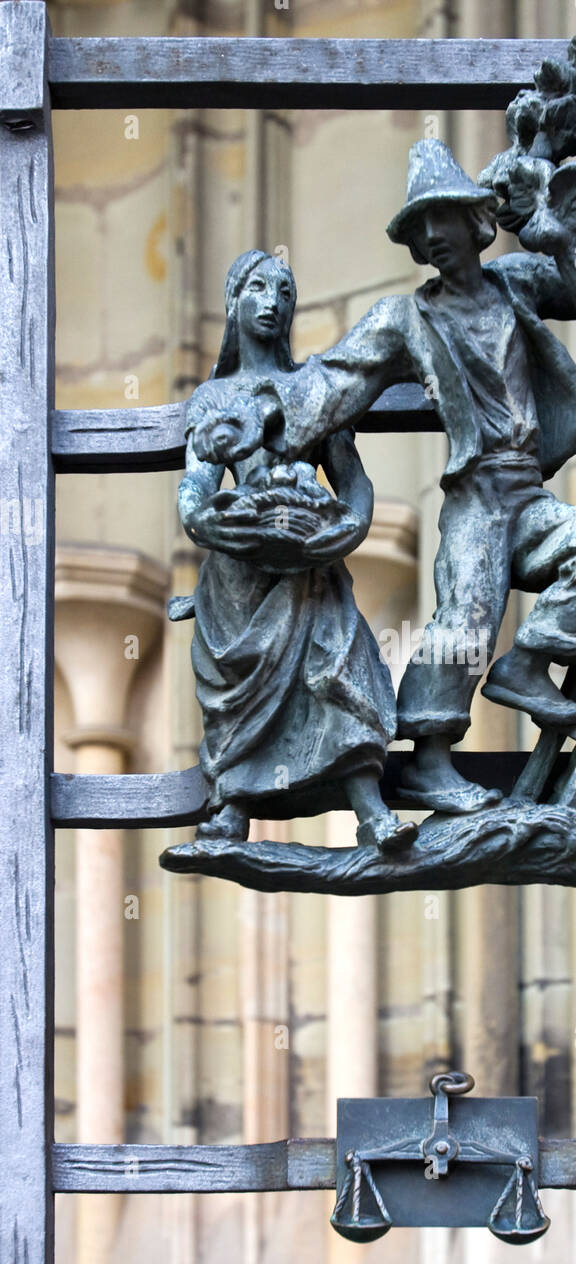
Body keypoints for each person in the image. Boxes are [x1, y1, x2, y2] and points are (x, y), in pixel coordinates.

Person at [266, 140, 576, 815]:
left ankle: (528, 664)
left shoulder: (515, 284)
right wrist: (268, 419)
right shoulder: (406, 319)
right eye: (420, 229)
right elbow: (336, 380)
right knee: (464, 621)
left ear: (475, 224)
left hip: (525, 492)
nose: (433, 238)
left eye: (442, 220)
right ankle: (427, 766)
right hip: (476, 499)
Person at [175, 249, 416, 853]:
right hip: (239, 574)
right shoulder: (212, 399)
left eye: (284, 292)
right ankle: (234, 804)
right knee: (235, 692)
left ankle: (370, 810)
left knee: (341, 670)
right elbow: (198, 486)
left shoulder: (312, 388)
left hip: (310, 561)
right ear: (233, 302)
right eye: (258, 288)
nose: (272, 302)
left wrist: (350, 528)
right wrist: (204, 518)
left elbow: (351, 480)